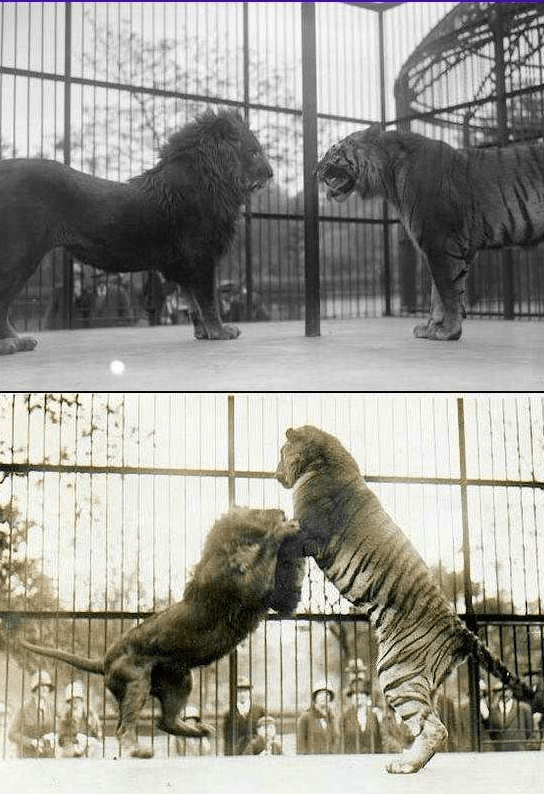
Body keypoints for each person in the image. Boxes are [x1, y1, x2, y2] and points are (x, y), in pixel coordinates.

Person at [8, 670, 57, 758]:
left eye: (48, 686)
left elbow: (58, 729)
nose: (45, 689)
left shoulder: (52, 708)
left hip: (48, 756)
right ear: (35, 688)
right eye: (42, 686)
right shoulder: (24, 708)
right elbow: (12, 733)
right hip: (28, 756)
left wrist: (54, 735)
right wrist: (31, 742)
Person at [57, 680, 102, 758]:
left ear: (81, 700)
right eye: (72, 701)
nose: (75, 703)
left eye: (77, 700)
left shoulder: (91, 716)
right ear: (69, 702)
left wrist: (88, 741)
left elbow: (98, 736)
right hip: (71, 751)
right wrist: (74, 747)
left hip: (89, 750)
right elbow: (62, 739)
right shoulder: (65, 718)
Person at [486, 687, 540, 751]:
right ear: (497, 693)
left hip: (520, 750)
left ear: (511, 692)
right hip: (500, 752)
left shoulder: (523, 707)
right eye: (499, 691)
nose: (503, 693)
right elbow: (492, 732)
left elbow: (531, 729)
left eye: (506, 690)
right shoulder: (493, 709)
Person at [223, 676, 265, 755]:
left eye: (245, 691)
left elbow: (264, 733)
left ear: (249, 692)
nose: (242, 694)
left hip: (256, 753)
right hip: (237, 754)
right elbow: (227, 741)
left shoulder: (259, 710)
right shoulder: (229, 714)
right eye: (239, 691)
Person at [341, 676, 382, 753]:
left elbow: (379, 740)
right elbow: (342, 740)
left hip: (371, 757)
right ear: (351, 698)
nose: (358, 697)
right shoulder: (346, 716)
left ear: (367, 697)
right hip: (352, 758)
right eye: (355, 694)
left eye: (361, 693)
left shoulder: (373, 715)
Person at [297, 681, 338, 754]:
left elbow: (335, 739)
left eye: (327, 695)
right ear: (315, 697)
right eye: (321, 694)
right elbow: (301, 743)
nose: (324, 697)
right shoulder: (306, 717)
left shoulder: (332, 718)